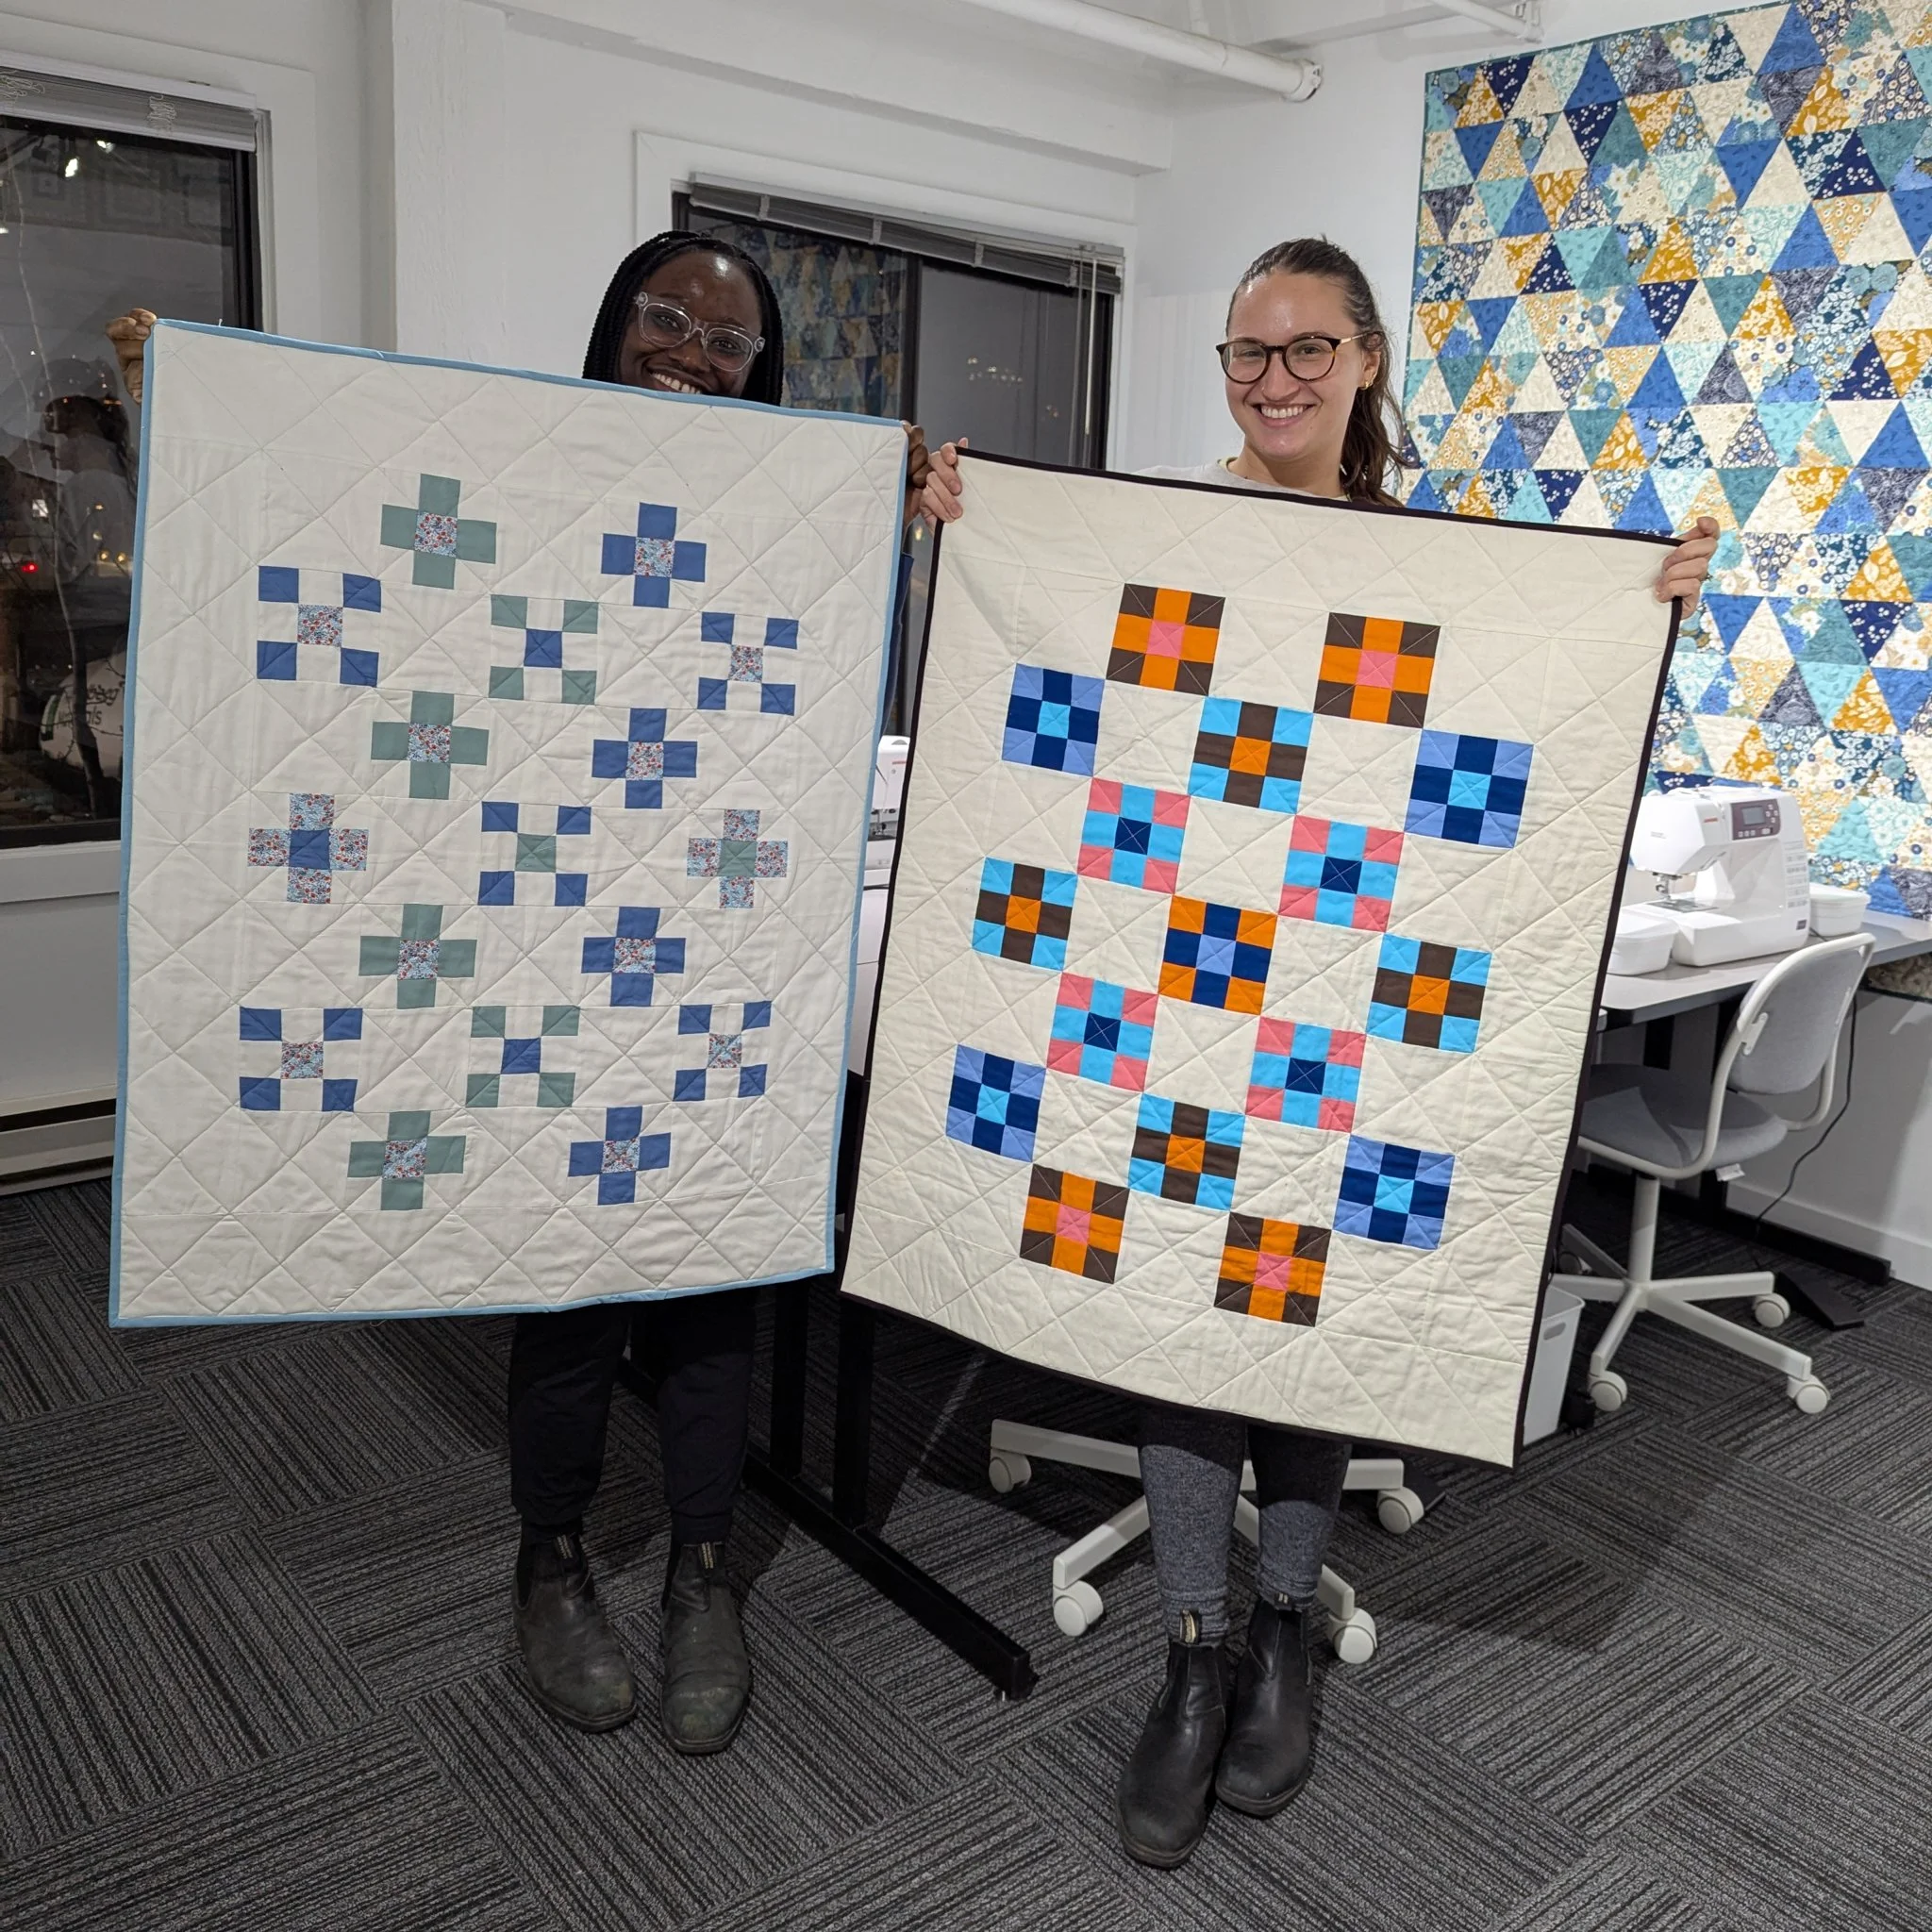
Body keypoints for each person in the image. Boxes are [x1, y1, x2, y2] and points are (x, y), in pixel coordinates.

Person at [920, 235, 1717, 1869]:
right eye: (1244, 353)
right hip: (1180, 1004)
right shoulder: (1179, 535)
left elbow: (1514, 737)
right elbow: (1083, 689)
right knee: (1171, 1320)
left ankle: (1287, 1622)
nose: (1271, 381)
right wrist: (971, 535)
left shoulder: (1430, 568)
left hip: (1351, 1010)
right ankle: (1196, 1649)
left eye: (1304, 351)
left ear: (1364, 361)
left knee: (1307, 1309)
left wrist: (1646, 611)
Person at [109, 236, 932, 1757]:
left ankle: (700, 1567)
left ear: (766, 371)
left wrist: (905, 516)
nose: (696, 348)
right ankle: (547, 1558)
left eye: (732, 338)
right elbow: (358, 534)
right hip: (529, 941)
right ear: (616, 322)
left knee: (713, 1275)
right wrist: (200, 397)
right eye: (668, 318)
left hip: (707, 956)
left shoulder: (782, 526)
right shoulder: (530, 489)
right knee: (559, 1273)